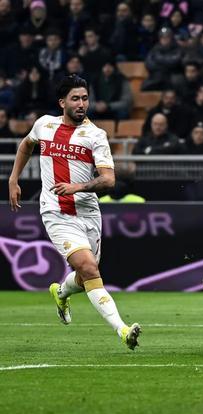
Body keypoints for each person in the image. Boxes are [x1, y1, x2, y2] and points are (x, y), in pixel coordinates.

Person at [7, 75, 141, 350]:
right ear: (62, 102)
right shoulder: (44, 124)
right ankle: (123, 330)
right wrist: (13, 179)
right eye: (75, 99)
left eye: (85, 98)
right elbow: (26, 145)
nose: (82, 104)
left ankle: (61, 292)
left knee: (84, 277)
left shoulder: (96, 135)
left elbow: (109, 180)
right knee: (88, 267)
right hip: (56, 212)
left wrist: (78, 186)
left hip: (88, 213)